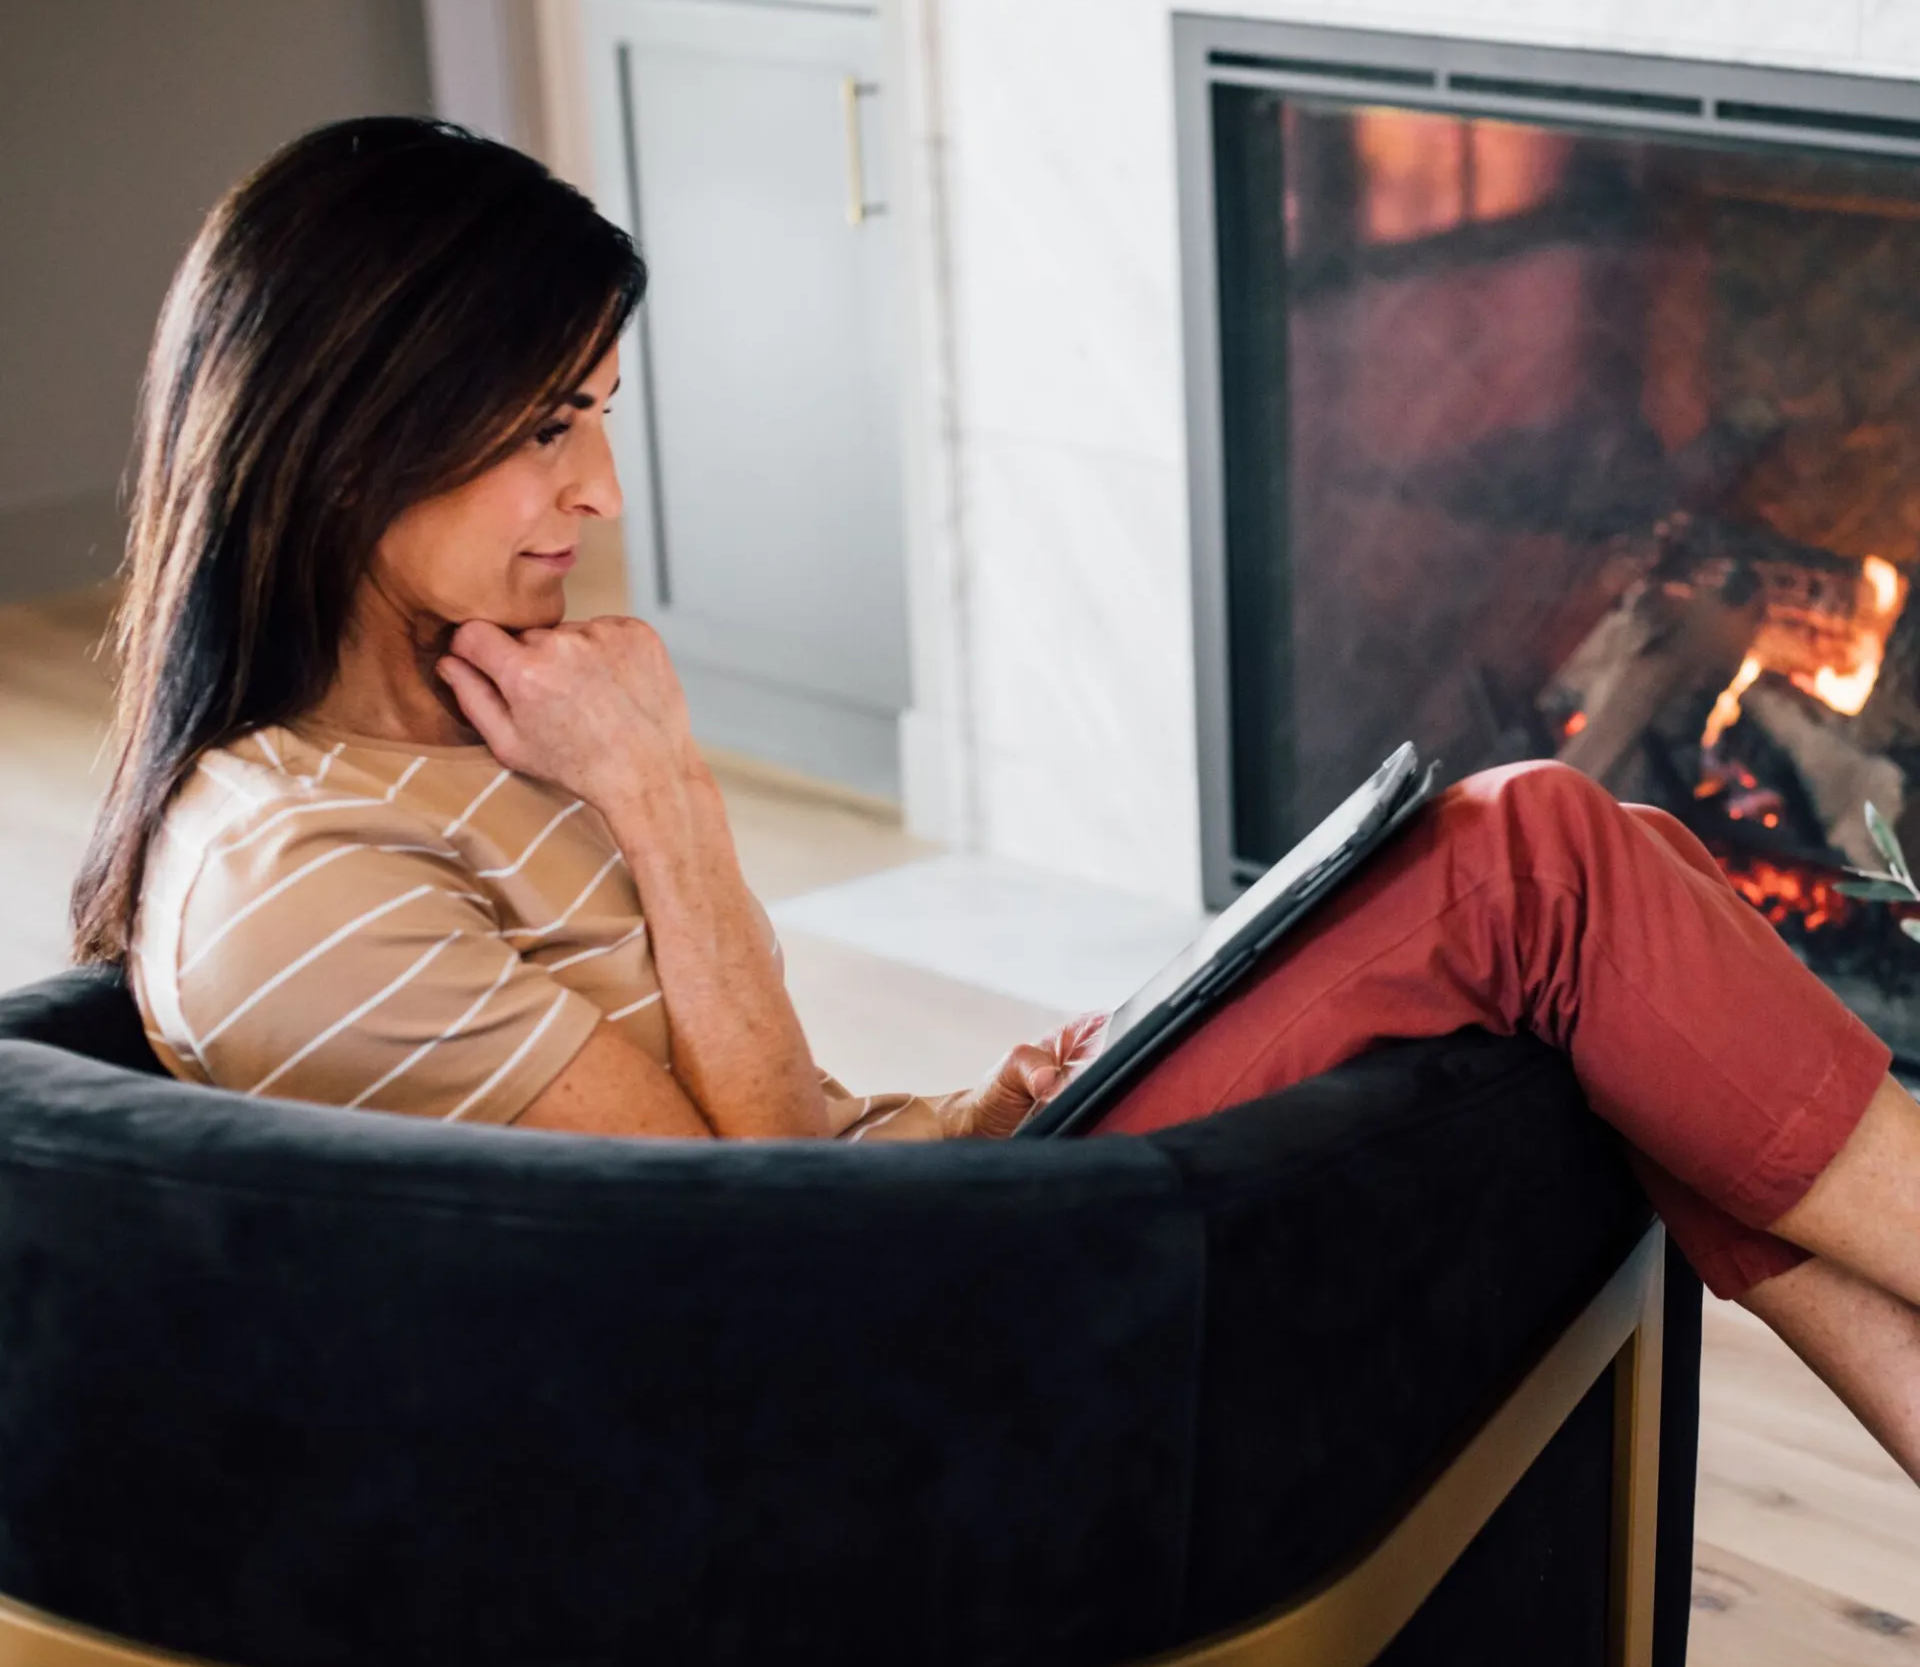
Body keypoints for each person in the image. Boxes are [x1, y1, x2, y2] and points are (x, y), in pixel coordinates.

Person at [74, 119, 1920, 1485]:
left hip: (921, 1208)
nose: (603, 492)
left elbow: (771, 1137)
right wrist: (668, 799)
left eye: (598, 412)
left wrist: (963, 1105)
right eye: (549, 422)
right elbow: (753, 1242)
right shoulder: (296, 878)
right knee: (1548, 862)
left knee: (1623, 888)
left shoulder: (478, 722)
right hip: (903, 1334)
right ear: (347, 422)